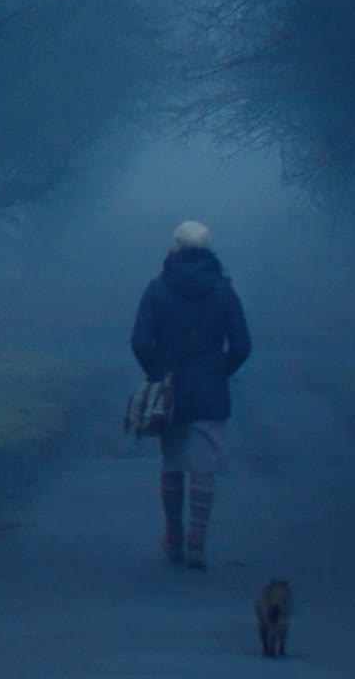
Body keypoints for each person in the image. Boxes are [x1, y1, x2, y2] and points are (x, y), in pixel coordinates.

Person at [131, 220, 251, 570]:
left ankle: (174, 537)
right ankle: (198, 541)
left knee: (172, 463)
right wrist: (220, 371)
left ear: (173, 248)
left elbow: (140, 342)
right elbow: (242, 345)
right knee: (204, 467)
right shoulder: (224, 292)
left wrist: (156, 375)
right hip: (211, 389)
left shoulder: (157, 289)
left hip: (170, 391)